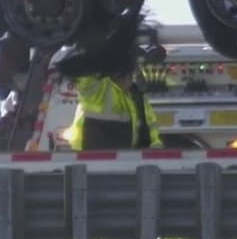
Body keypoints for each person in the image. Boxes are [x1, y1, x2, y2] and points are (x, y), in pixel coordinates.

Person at [56, 14, 163, 151]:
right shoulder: (100, 90)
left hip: (123, 160)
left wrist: (156, 147)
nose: (129, 80)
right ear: (116, 74)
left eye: (131, 75)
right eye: (126, 75)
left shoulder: (137, 97)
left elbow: (150, 126)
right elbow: (86, 75)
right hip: (90, 158)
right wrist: (99, 46)